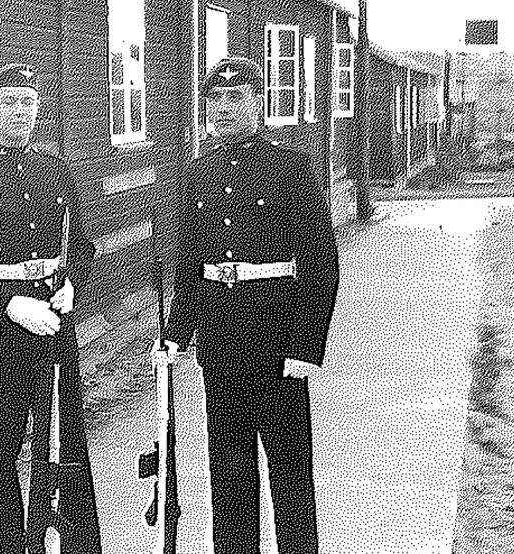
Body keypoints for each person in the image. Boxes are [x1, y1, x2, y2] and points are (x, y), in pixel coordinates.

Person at [159, 57, 340, 553]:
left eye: (235, 98)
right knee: (230, 478)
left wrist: (307, 343)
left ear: (259, 103)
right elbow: (191, 263)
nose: (223, 109)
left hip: (278, 343)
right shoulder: (197, 173)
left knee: (290, 478)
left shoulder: (290, 167)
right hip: (221, 343)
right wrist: (176, 333)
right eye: (214, 100)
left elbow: (321, 262)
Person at [0, 63, 102, 554]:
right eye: (9, 102)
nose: (21, 113)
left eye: (29, 103)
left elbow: (82, 244)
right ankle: (11, 547)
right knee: (1, 454)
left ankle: (77, 547)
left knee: (67, 448)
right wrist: (7, 304)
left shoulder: (55, 168)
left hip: (54, 326)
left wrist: (72, 283)